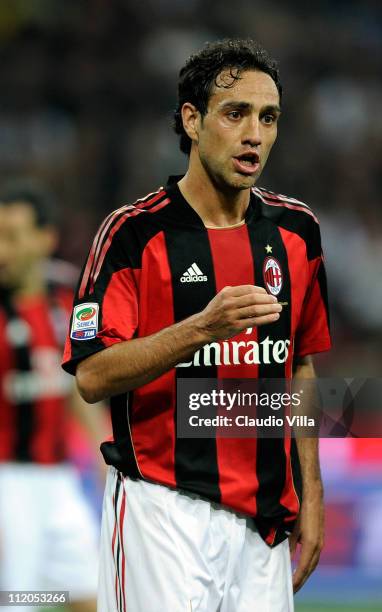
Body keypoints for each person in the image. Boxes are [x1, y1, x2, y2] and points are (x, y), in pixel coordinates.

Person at [62, 38, 331, 611]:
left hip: (264, 524)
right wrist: (200, 329)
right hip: (164, 510)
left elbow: (300, 363)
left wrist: (311, 492)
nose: (254, 134)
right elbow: (91, 377)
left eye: (269, 118)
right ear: (192, 119)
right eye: (236, 114)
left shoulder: (297, 231)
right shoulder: (132, 234)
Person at [0, 182, 103, 612]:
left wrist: (101, 451)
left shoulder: (69, 298)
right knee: (19, 601)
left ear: (46, 238)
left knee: (90, 595)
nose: (1, 249)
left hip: (60, 482)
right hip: (8, 484)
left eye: (11, 236)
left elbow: (77, 382)